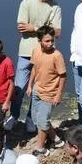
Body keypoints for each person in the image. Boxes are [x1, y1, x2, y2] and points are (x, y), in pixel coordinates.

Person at [13, 0, 62, 132]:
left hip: (45, 55)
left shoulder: (55, 7)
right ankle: (13, 116)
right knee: (19, 88)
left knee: (38, 90)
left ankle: (31, 119)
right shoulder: (27, 2)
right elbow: (22, 27)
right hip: (26, 53)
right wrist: (45, 28)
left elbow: (57, 32)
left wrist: (34, 27)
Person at [26, 26, 67, 156]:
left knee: (42, 120)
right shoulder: (36, 50)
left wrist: (58, 95)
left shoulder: (57, 56)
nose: (50, 44)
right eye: (47, 41)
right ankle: (56, 139)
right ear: (39, 41)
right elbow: (34, 68)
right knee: (37, 119)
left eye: (52, 40)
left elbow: (63, 76)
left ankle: (41, 148)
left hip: (49, 94)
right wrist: (30, 85)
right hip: (37, 90)